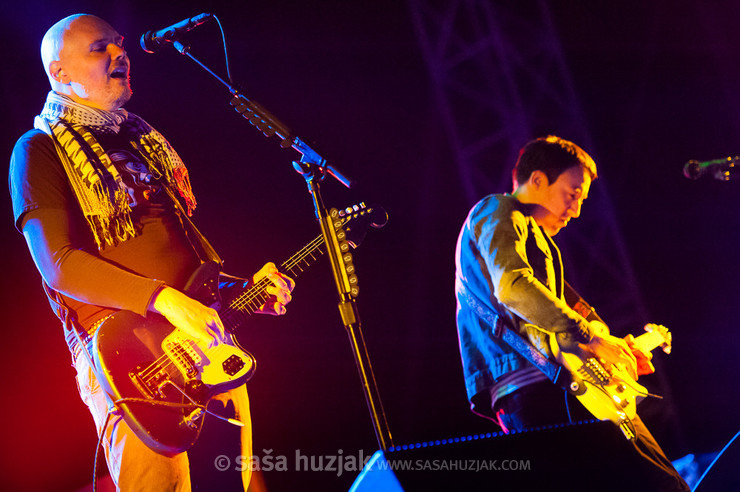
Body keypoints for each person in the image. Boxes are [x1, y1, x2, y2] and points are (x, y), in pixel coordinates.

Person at [9, 14, 294, 491]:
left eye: (119, 45)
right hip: (127, 356)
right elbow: (57, 264)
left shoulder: (142, 141)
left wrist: (240, 290)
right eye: (101, 49)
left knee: (241, 484)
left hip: (201, 345)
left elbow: (179, 259)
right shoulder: (38, 149)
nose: (120, 54)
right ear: (60, 73)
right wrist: (166, 301)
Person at [454, 135, 689, 490]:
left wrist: (613, 349)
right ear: (537, 181)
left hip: (549, 380)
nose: (576, 209)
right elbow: (513, 287)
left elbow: (573, 315)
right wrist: (591, 336)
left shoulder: (539, 241)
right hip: (536, 381)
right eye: (572, 193)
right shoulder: (499, 210)